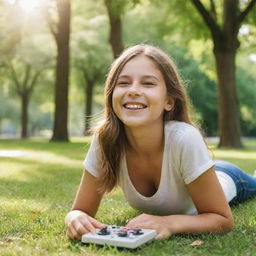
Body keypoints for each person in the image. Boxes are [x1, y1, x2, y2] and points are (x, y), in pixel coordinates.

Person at [65, 44, 256, 240]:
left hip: (227, 178)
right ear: (111, 94)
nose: (133, 90)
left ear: (169, 101)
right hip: (197, 171)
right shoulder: (106, 139)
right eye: (123, 83)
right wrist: (75, 216)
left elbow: (222, 219)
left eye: (148, 83)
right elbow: (80, 210)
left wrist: (169, 223)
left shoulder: (185, 138)